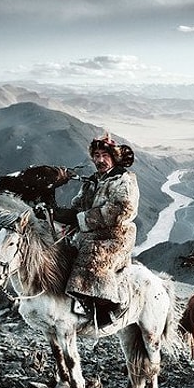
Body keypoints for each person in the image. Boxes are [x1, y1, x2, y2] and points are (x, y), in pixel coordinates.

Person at [50, 133, 139, 328]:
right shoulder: (93, 180)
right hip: (89, 232)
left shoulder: (124, 179)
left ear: (114, 156)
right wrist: (55, 212)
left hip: (116, 235)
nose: (100, 160)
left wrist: (82, 219)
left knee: (92, 257)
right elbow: (78, 205)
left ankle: (104, 309)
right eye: (96, 155)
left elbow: (122, 209)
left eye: (104, 155)